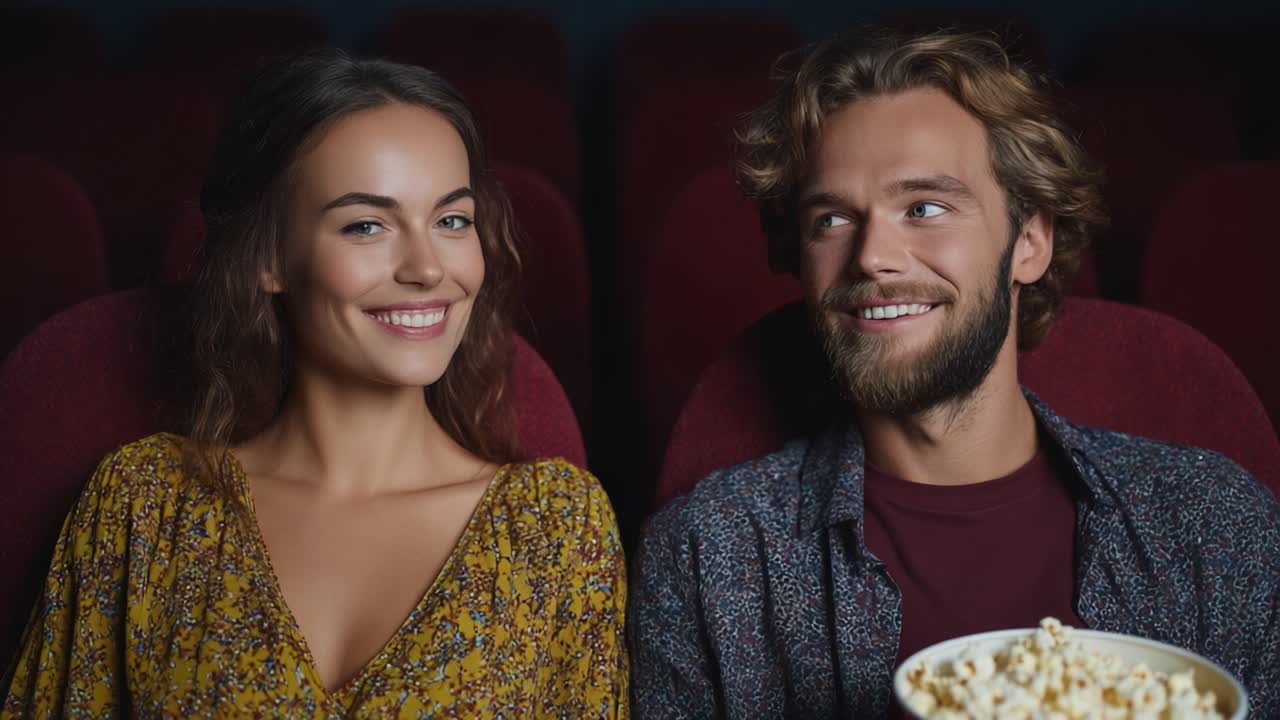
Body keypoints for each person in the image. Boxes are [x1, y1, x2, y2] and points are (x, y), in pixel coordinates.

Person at [628, 28, 1279, 718]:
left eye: (926, 208)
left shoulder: (1214, 527)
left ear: (1029, 241)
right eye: (832, 219)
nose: (874, 256)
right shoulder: (711, 556)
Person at [2, 49, 628, 718]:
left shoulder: (557, 529)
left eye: (452, 220)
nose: (426, 267)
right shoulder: (145, 508)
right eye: (367, 225)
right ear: (270, 257)